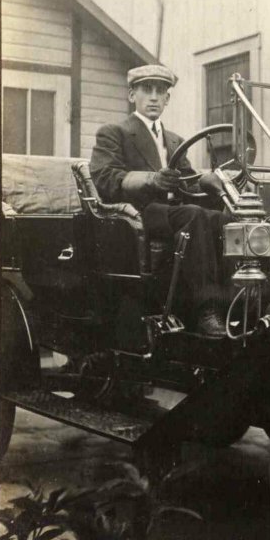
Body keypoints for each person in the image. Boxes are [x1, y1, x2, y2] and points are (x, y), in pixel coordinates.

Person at [90, 63, 227, 338]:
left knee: (225, 221)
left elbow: (187, 180)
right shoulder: (114, 132)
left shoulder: (175, 140)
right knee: (194, 216)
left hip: (173, 212)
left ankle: (233, 302)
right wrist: (152, 180)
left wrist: (205, 181)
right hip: (138, 214)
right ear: (132, 96)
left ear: (167, 99)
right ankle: (206, 311)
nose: (153, 97)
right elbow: (105, 178)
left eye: (160, 91)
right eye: (146, 90)